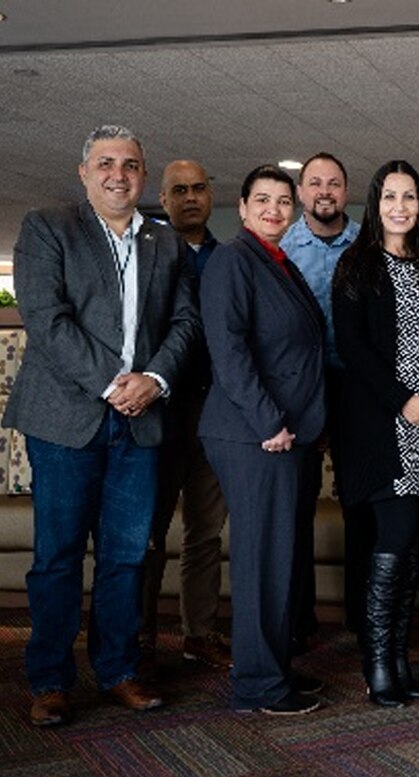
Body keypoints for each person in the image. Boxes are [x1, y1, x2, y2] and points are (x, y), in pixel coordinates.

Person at [6, 125, 199, 726]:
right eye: (107, 163)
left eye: (132, 164)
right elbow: (46, 317)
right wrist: (116, 383)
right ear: (85, 172)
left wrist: (156, 380)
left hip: (141, 422)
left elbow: (186, 323)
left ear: (145, 175)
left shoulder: (166, 242)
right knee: (58, 556)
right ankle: (50, 680)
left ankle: (118, 670)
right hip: (66, 420)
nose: (120, 174)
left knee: (126, 555)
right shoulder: (48, 226)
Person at [332, 160, 419, 708]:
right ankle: (377, 663)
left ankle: (400, 660)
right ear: (375, 202)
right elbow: (353, 349)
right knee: (392, 539)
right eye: (390, 197)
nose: (400, 207)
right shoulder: (356, 264)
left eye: (410, 197)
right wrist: (403, 401)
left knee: (410, 547)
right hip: (379, 428)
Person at [199, 165, 326, 715]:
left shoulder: (278, 263)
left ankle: (273, 669)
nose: (274, 209)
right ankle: (257, 685)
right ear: (243, 207)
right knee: (260, 562)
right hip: (254, 435)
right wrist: (268, 421)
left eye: (282, 201)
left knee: (279, 559)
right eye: (263, 200)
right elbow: (228, 351)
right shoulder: (232, 260)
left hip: (285, 435)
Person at [141, 160, 231, 676]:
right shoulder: (148, 254)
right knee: (149, 533)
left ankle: (200, 634)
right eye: (180, 190)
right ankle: (142, 637)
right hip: (160, 414)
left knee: (205, 532)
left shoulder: (227, 258)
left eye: (199, 188)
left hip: (213, 413)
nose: (191, 197)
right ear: (164, 196)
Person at [280, 152, 370, 652]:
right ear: (301, 191)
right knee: (296, 505)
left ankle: (363, 620)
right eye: (315, 183)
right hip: (302, 391)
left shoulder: (370, 245)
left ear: (346, 189)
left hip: (358, 390)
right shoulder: (282, 247)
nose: (325, 191)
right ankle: (298, 621)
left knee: (360, 506)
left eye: (334, 183)